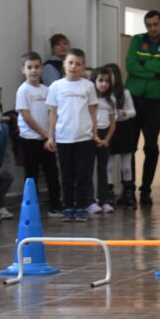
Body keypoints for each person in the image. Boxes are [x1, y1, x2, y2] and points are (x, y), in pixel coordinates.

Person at [125, 10, 160, 207]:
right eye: (149, 25)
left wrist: (144, 64)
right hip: (133, 99)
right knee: (129, 146)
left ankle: (146, 190)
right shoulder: (137, 40)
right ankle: (128, 189)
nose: (152, 29)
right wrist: (155, 70)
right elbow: (130, 65)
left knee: (151, 147)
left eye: (156, 24)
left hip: (154, 101)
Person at [46, 48, 99, 222]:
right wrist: (51, 137)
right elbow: (53, 113)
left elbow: (93, 112)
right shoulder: (56, 86)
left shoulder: (88, 86)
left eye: (78, 64)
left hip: (84, 138)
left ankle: (82, 206)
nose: (73, 66)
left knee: (83, 174)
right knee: (67, 176)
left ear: (83, 66)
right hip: (63, 138)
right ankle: (68, 206)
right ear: (64, 64)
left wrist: (95, 133)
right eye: (70, 63)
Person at [15, 53, 64, 217]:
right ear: (23, 70)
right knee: (31, 174)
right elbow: (26, 116)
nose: (33, 71)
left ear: (42, 69)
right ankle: (31, 208)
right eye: (29, 67)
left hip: (46, 139)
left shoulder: (47, 90)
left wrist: (50, 135)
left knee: (52, 173)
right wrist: (44, 133)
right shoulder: (23, 90)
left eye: (36, 67)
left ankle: (56, 205)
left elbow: (52, 113)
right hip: (30, 139)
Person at [100, 63, 138, 209]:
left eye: (112, 75)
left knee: (126, 165)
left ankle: (128, 194)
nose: (110, 79)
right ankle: (108, 194)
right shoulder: (102, 94)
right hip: (109, 129)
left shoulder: (124, 93)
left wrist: (125, 113)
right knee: (108, 164)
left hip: (124, 129)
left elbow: (133, 112)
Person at [89, 68, 117, 214]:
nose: (104, 84)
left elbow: (112, 123)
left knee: (103, 169)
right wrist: (94, 135)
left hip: (105, 136)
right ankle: (90, 200)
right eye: (100, 80)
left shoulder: (110, 100)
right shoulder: (90, 99)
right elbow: (90, 117)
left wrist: (106, 139)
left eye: (107, 81)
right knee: (89, 169)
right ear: (94, 81)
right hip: (91, 134)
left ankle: (104, 200)